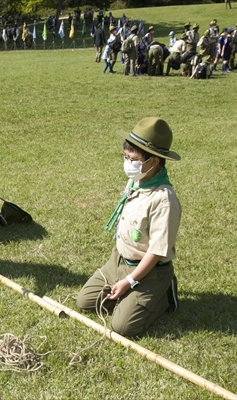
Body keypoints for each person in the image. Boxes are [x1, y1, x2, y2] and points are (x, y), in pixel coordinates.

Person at [76, 117, 181, 337]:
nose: (127, 163)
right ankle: (129, 293)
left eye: (133, 159)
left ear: (154, 162)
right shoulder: (137, 181)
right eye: (125, 157)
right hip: (119, 261)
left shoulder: (164, 199)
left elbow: (156, 251)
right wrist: (122, 275)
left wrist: (130, 281)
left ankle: (164, 295)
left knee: (123, 327)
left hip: (150, 271)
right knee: (85, 302)